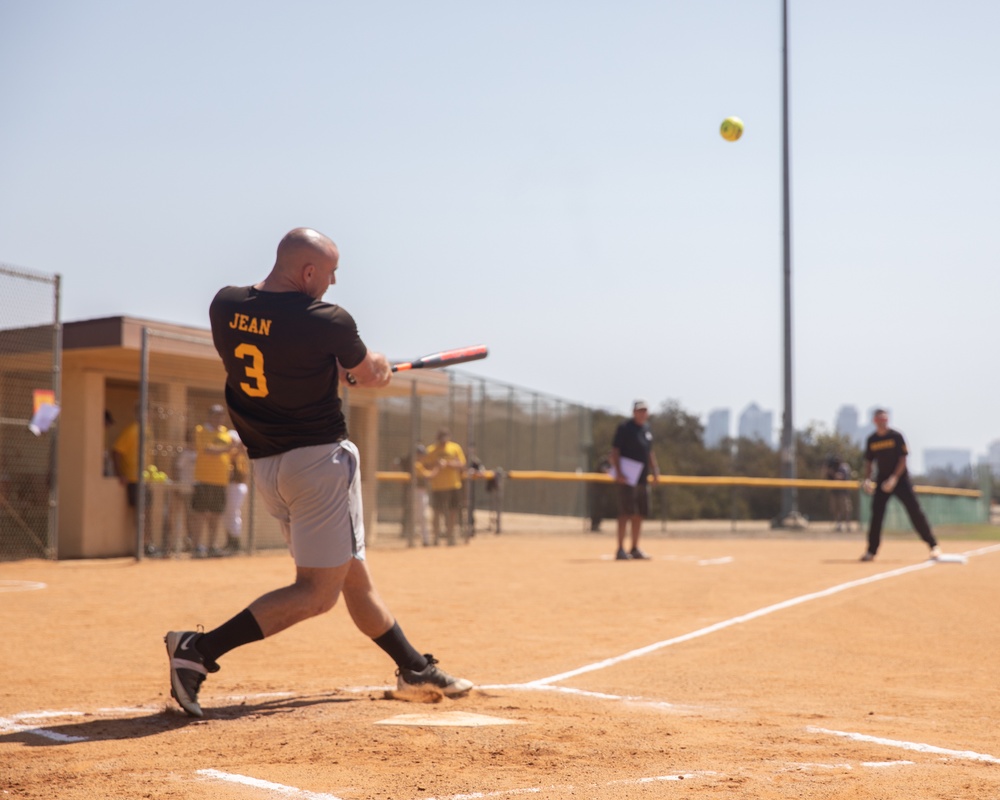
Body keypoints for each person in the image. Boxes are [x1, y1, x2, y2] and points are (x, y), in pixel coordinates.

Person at [164, 227, 471, 718]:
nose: (332, 282)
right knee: (317, 592)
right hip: (318, 466)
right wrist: (376, 368)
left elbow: (288, 357)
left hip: (268, 467)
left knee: (353, 576)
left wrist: (342, 368)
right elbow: (366, 374)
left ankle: (412, 667)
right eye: (329, 273)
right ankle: (199, 651)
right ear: (308, 272)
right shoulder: (328, 320)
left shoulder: (224, 305)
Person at [859, 409, 941, 562]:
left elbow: (903, 460)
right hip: (882, 481)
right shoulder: (872, 439)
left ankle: (933, 545)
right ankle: (871, 551)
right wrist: (868, 479)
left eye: (885, 419)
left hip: (900, 480)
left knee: (915, 511)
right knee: (876, 515)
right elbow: (869, 462)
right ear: (874, 421)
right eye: (880, 419)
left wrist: (894, 479)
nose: (883, 422)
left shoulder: (896, 437)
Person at [610, 400, 660, 560]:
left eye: (645, 410)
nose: (642, 413)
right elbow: (615, 451)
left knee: (639, 514)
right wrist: (618, 473)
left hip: (642, 478)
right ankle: (620, 549)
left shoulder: (647, 429)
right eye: (640, 410)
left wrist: (655, 470)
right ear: (634, 412)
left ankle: (635, 547)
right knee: (625, 513)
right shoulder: (625, 428)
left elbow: (649, 452)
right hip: (627, 478)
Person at [190, 404, 233, 558]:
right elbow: (206, 449)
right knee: (200, 514)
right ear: (209, 416)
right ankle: (196, 547)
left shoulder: (225, 433)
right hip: (203, 479)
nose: (219, 418)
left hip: (220, 481)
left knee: (216, 514)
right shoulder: (201, 430)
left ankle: (212, 546)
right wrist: (227, 449)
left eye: (222, 415)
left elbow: (231, 454)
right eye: (216, 414)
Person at [111, 404, 154, 555]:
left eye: (148, 411)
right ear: (137, 414)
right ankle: (140, 546)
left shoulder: (148, 430)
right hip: (134, 478)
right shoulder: (132, 430)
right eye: (144, 412)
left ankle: (147, 544)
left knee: (147, 513)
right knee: (140, 513)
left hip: (146, 479)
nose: (147, 415)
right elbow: (116, 451)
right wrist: (120, 474)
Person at [421, 428, 467, 546]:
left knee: (453, 511)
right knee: (437, 512)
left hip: (454, 485)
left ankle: (450, 536)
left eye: (445, 438)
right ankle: (435, 537)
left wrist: (448, 463)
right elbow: (425, 465)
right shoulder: (431, 450)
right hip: (438, 486)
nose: (443, 441)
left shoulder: (455, 448)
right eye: (441, 438)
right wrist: (436, 464)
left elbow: (461, 464)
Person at [223, 431, 250, 553]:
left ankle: (235, 543)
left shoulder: (239, 454)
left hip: (237, 486)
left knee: (233, 513)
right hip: (230, 486)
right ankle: (230, 541)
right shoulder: (230, 453)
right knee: (228, 514)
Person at [824, 455, 853, 532]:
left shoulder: (844, 467)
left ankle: (848, 525)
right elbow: (826, 476)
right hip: (834, 492)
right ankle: (838, 525)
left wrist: (832, 473)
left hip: (843, 492)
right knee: (836, 509)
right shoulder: (833, 467)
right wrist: (827, 469)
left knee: (846, 510)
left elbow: (840, 477)